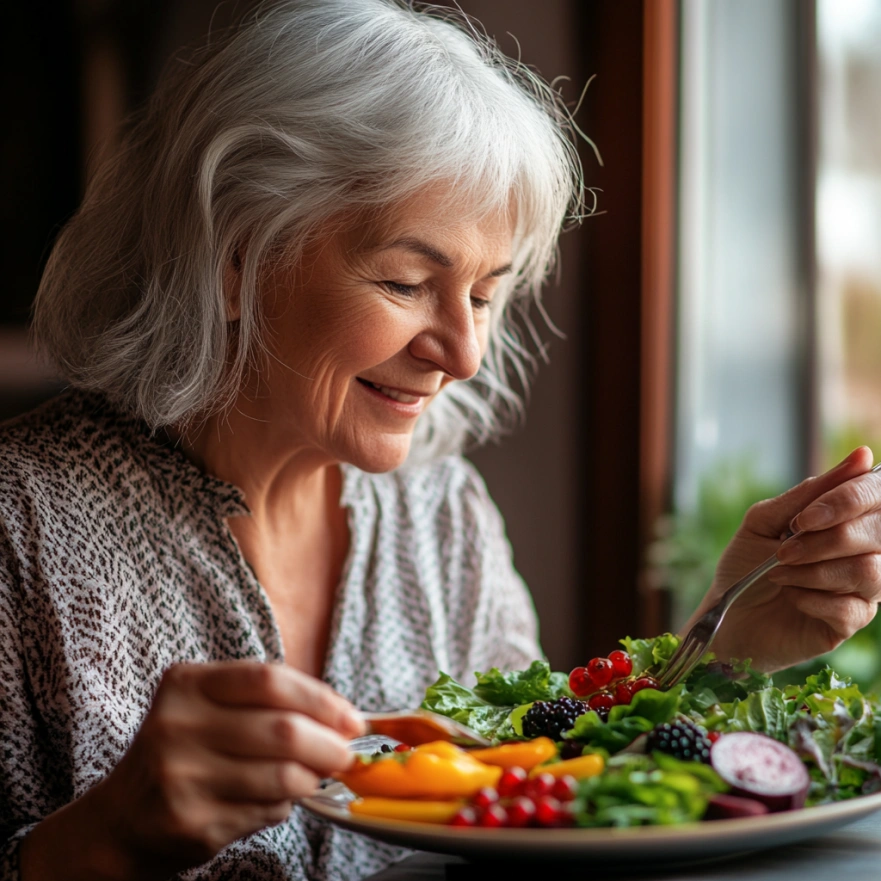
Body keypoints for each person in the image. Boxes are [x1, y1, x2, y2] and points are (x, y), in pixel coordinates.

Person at [1, 0, 880, 879]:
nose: (462, 353)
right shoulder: (21, 529)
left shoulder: (437, 506)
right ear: (234, 262)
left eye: (486, 294)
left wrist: (718, 645)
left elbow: (539, 779)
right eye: (405, 280)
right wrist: (106, 837)